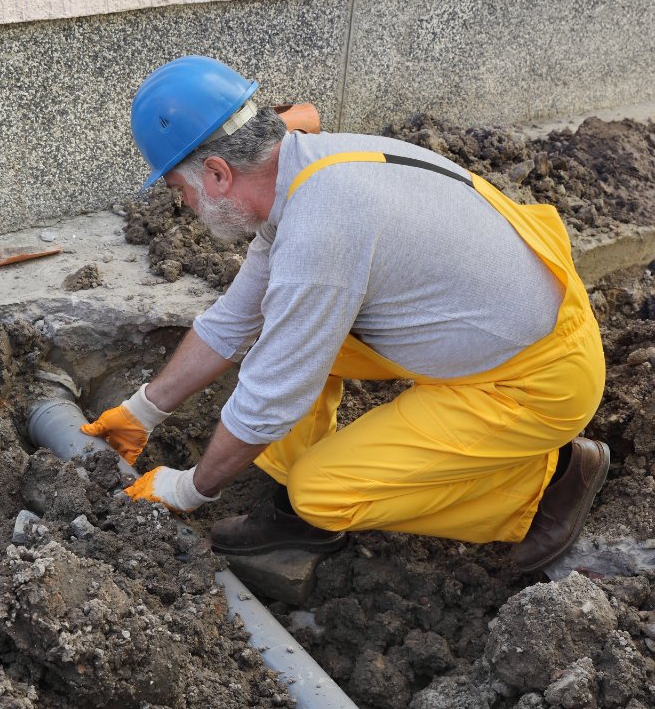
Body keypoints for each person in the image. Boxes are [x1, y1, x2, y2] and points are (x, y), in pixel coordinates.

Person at [82, 55, 609, 572]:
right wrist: (141, 413)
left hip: (534, 382)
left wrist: (190, 488)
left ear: (217, 173)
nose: (186, 207)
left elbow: (269, 399)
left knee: (322, 492)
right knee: (290, 338)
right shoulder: (301, 168)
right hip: (493, 325)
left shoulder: (321, 230)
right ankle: (286, 506)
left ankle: (550, 481)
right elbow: (234, 320)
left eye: (180, 192)